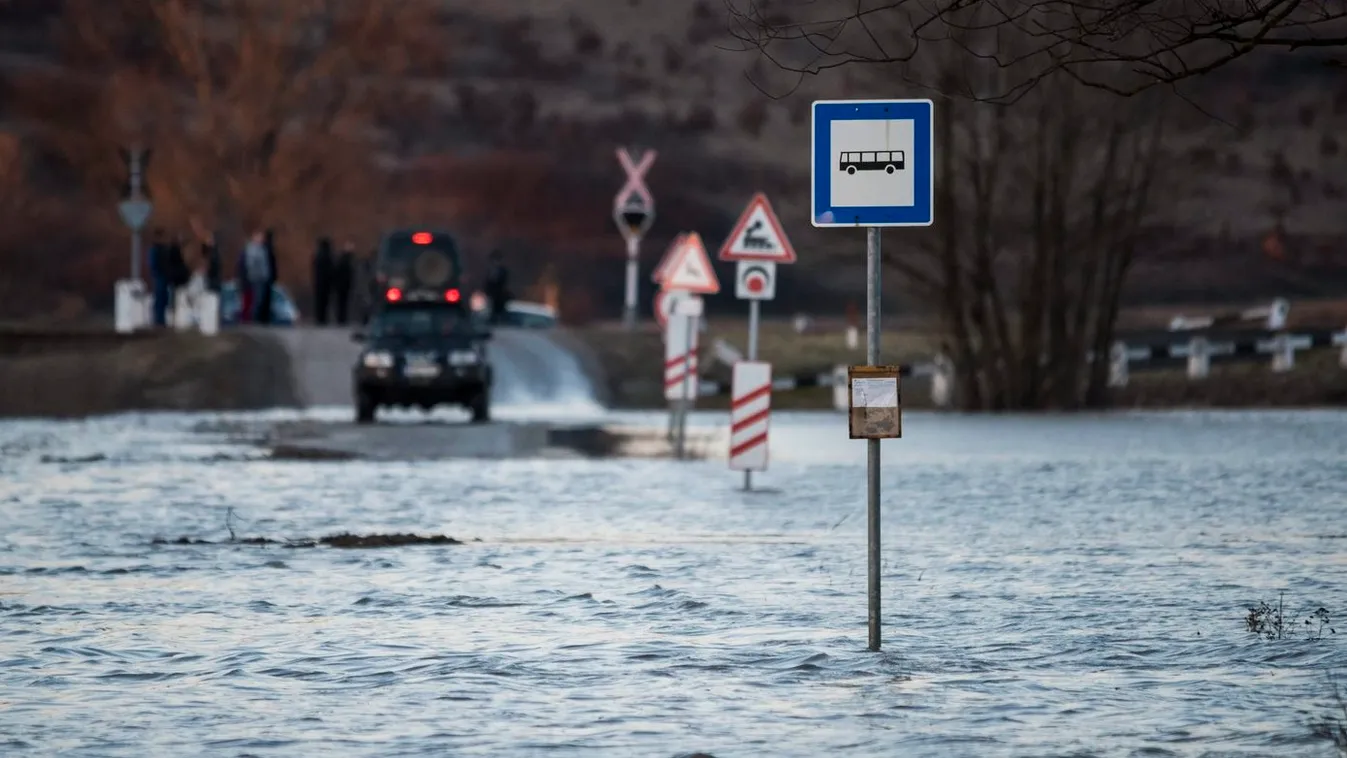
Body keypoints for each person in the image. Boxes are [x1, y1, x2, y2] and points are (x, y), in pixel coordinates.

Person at [244, 230, 272, 324]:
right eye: (259, 237)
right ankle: (255, 319)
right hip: (257, 278)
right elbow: (251, 264)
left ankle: (258, 318)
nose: (261, 239)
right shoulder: (252, 249)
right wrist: (254, 274)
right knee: (257, 299)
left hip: (263, 277)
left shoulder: (262, 248)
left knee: (261, 299)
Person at [147, 228, 170, 326]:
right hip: (160, 276)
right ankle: (159, 320)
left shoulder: (162, 249)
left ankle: (161, 320)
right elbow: (153, 264)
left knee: (163, 299)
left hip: (163, 276)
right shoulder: (156, 249)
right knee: (159, 299)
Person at [255, 228, 278, 325]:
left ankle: (262, 317)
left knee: (264, 298)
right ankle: (263, 318)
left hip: (265, 276)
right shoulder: (267, 248)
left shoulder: (264, 248)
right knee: (265, 298)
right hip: (265, 276)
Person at [483, 249, 511, 324]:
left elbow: (502, 282)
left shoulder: (503, 271)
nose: (494, 262)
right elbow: (487, 283)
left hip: (499, 297)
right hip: (490, 296)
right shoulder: (489, 270)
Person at [333, 239, 356, 326]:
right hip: (343, 285)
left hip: (344, 285)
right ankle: (341, 319)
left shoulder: (347, 259)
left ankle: (342, 319)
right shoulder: (345, 259)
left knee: (343, 303)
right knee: (342, 303)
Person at [312, 237, 334, 326]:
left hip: (318, 282)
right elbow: (331, 270)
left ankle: (319, 318)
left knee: (319, 302)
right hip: (326, 283)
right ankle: (323, 319)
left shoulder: (318, 256)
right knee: (325, 302)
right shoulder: (328, 256)